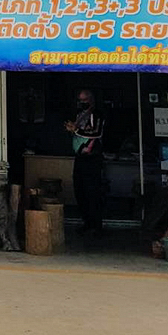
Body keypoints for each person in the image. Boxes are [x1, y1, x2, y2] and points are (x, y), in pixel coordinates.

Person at [66, 88, 105, 235]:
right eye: (80, 100)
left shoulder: (96, 114)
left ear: (91, 100)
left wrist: (77, 131)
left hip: (92, 158)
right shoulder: (79, 115)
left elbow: (97, 132)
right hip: (80, 156)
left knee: (92, 191)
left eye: (85, 100)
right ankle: (87, 222)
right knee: (80, 190)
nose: (82, 103)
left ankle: (97, 225)